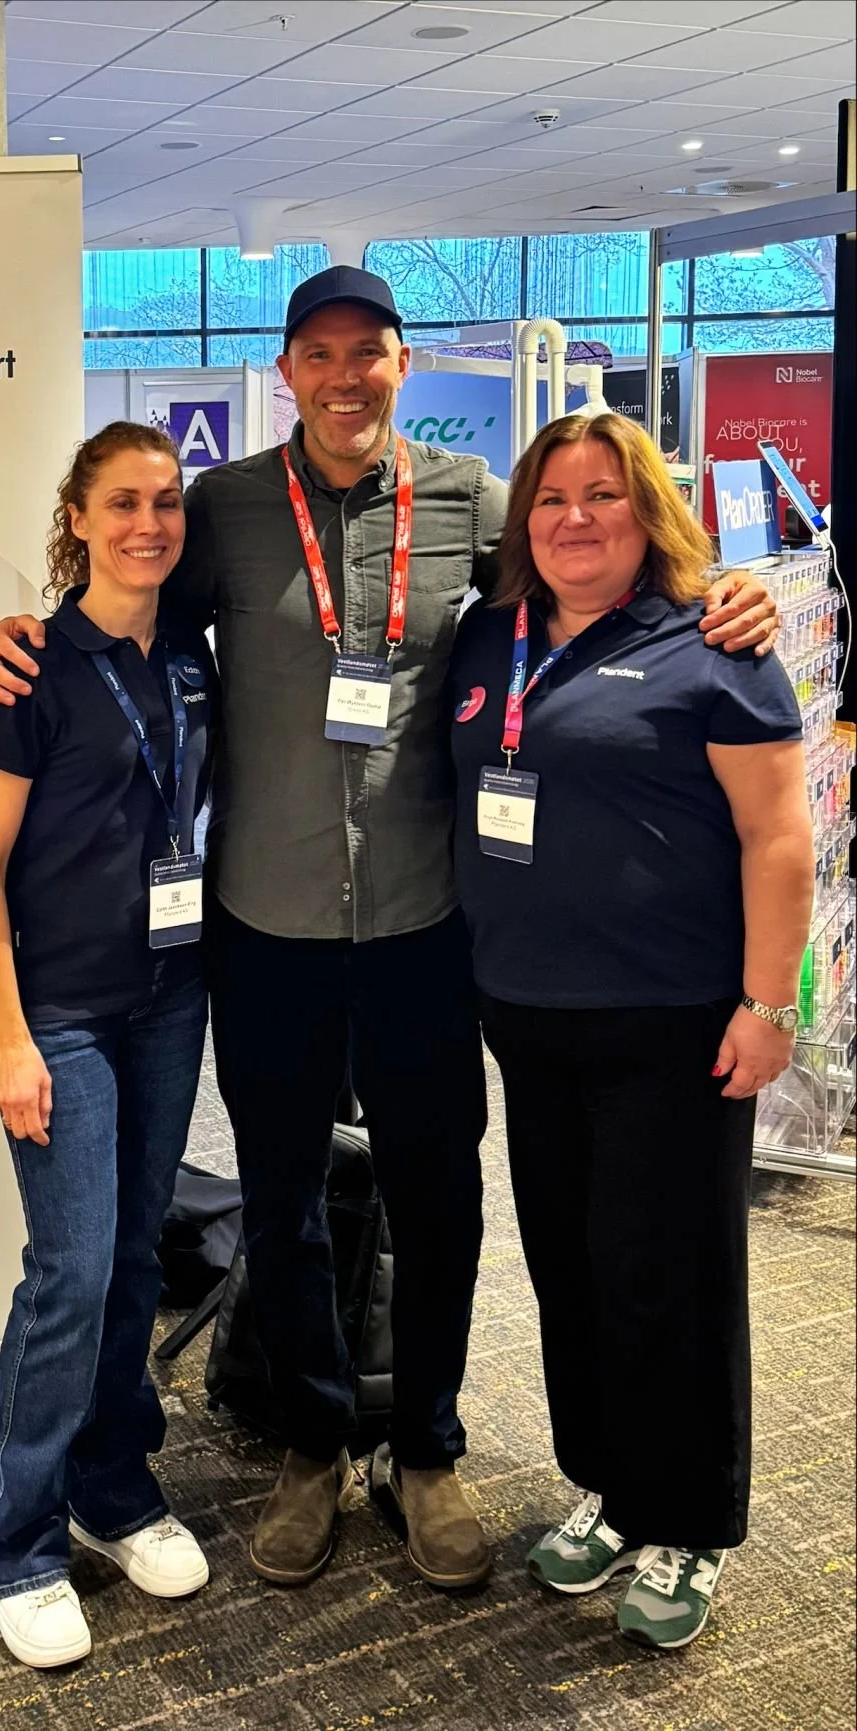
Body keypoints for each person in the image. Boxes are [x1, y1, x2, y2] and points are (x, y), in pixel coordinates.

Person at [0, 267, 780, 1595]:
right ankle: (310, 1438)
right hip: (264, 923)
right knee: (282, 1195)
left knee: (437, 1188)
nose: (345, 377)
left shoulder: (471, 502)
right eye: (319, 355)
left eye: (371, 353)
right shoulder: (225, 508)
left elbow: (598, 571)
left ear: (405, 367)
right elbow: (113, 619)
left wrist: (723, 594)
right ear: (285, 371)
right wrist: (9, 634)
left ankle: (427, 1443)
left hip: (423, 922)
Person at [449, 411, 812, 1650]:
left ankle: (692, 1525)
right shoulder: (484, 639)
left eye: (601, 495)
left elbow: (777, 836)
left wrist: (770, 1006)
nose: (573, 519)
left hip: (672, 1023)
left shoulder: (711, 642)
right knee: (573, 1265)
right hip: (527, 1016)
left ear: (644, 509)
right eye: (550, 499)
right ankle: (607, 1485)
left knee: (673, 1275)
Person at [0, 422, 217, 1669]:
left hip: (168, 999)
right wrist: (9, 1040)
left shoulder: (189, 654)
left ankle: (112, 1492)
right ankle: (12, 1539)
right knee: (68, 1272)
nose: (148, 524)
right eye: (121, 503)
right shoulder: (28, 670)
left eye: (165, 502)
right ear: (77, 516)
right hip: (58, 1013)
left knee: (126, 1262)